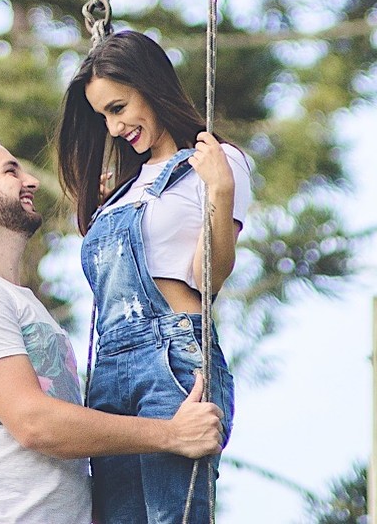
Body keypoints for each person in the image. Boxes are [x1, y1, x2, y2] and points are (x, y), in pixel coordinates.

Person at [0, 134, 224, 524]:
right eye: (11, 171)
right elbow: (34, 423)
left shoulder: (17, 301)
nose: (31, 181)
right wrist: (171, 434)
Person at [56, 30, 251, 524]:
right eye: (104, 117)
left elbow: (208, 279)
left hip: (172, 357)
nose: (115, 126)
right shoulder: (120, 191)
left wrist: (221, 191)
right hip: (108, 371)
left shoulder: (213, 165)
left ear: (149, 85)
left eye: (119, 108)